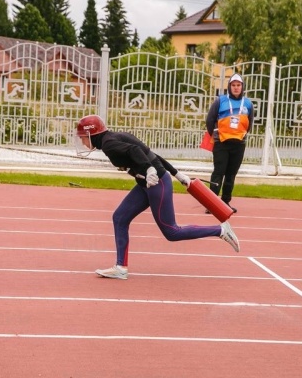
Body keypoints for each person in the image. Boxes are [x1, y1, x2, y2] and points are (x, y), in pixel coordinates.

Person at [74, 114, 240, 280]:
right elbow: (151, 154)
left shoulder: (109, 144)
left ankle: (221, 230)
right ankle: (120, 267)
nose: (82, 141)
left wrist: (149, 169)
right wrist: (177, 174)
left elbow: (136, 151)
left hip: (156, 184)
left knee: (172, 232)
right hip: (146, 184)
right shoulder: (114, 138)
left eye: (83, 137)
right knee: (119, 218)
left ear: (92, 133)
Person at [205, 73, 255, 214]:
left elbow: (249, 123)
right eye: (233, 85)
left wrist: (242, 135)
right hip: (222, 143)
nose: (236, 88)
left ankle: (225, 202)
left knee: (231, 174)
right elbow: (210, 120)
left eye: (238, 85)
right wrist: (216, 135)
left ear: (242, 87)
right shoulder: (220, 101)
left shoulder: (248, 104)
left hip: (239, 144)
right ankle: (212, 204)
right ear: (229, 87)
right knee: (218, 172)